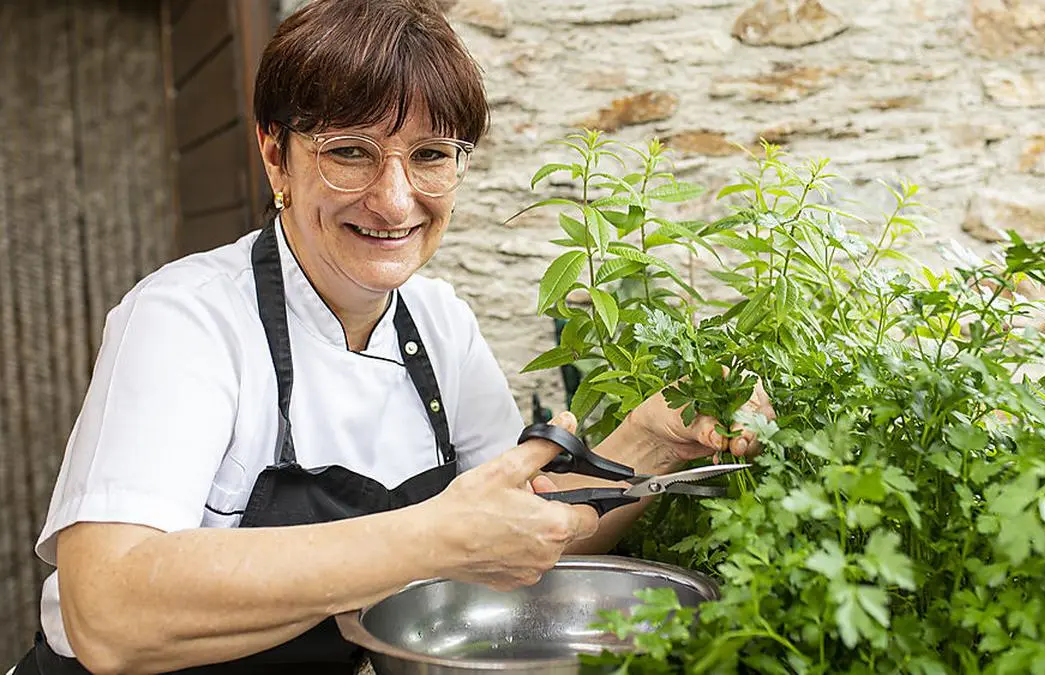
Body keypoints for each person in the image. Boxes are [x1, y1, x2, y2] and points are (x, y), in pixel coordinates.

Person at [9, 0, 769, 673]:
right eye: (350, 152)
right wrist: (434, 536)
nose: (395, 197)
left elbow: (513, 532)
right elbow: (108, 614)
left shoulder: (440, 325)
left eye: (430, 155)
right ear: (276, 153)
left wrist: (648, 441)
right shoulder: (187, 318)